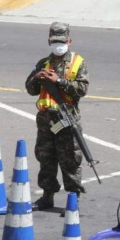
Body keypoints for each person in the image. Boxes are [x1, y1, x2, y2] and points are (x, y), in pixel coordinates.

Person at [25, 22, 89, 211]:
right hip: (46, 121)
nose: (58, 45)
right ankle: (47, 196)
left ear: (69, 41)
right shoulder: (43, 63)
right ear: (49, 41)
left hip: (66, 119)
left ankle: (73, 199)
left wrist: (58, 81)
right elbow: (30, 89)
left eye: (61, 41)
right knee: (46, 158)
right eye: (54, 41)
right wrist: (37, 77)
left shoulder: (78, 62)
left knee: (70, 159)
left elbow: (82, 89)